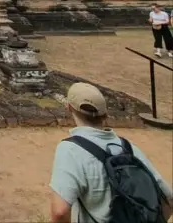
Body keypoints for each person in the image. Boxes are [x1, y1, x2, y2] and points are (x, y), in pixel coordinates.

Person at [49, 82, 172, 223]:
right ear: (105, 114)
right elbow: (168, 197)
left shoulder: (70, 150)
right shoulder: (129, 148)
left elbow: (59, 212)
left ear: (69, 108)